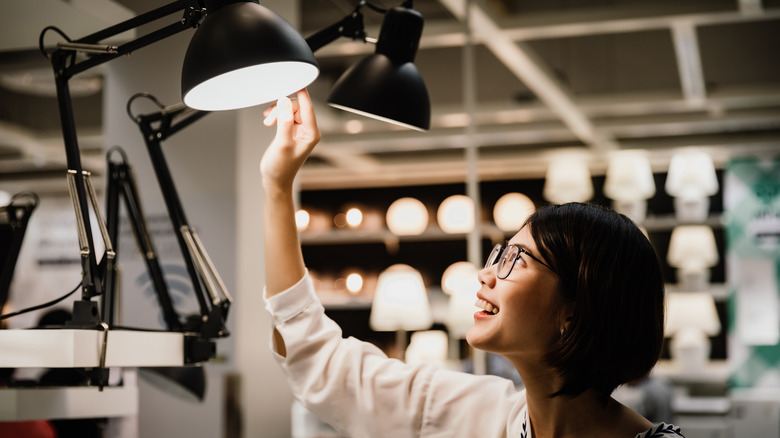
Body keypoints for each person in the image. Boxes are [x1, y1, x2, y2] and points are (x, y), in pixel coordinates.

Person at [260, 89, 684, 438]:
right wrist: (278, 186)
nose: (485, 273)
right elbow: (316, 360)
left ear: (575, 309)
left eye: (517, 259)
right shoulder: (473, 412)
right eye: (499, 253)